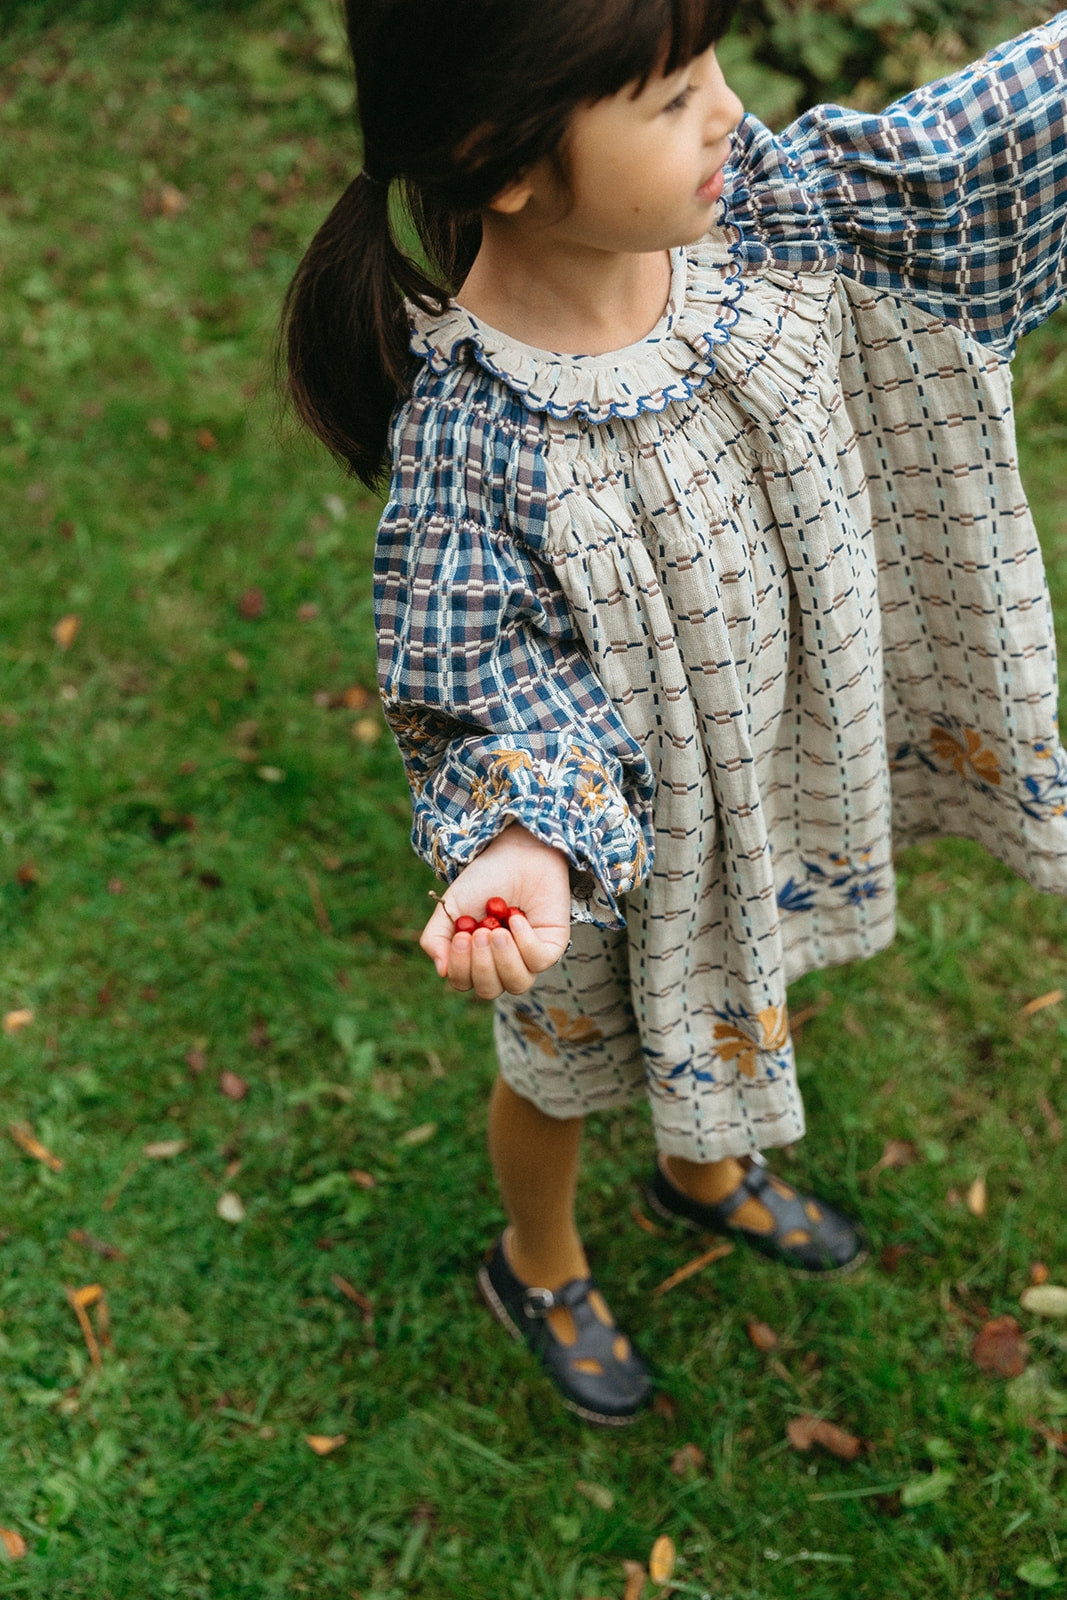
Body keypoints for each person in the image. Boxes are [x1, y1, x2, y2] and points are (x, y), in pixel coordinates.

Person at [283, 0, 1067, 1426]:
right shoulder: (477, 434)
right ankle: (543, 1257)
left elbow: (955, 153)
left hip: (750, 770)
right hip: (599, 858)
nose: (725, 110)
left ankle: (703, 1166)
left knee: (739, 976)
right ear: (501, 159)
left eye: (712, 65)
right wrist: (526, 848)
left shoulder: (764, 227)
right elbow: (488, 676)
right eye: (668, 96)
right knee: (566, 1073)